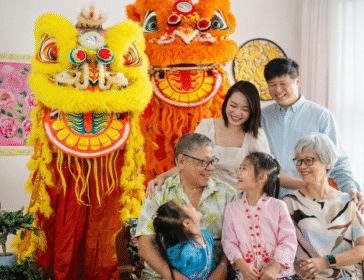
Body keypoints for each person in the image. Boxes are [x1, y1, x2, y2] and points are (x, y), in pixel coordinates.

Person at [261, 58, 363, 206]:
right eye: (272, 85)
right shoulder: (262, 117)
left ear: (297, 82)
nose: (277, 90)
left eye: (283, 84)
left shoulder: (321, 116)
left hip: (311, 202)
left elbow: (338, 161)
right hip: (270, 202)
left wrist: (350, 188)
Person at [135, 133, 237, 280]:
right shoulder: (159, 192)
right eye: (204, 162)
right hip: (163, 276)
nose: (211, 168)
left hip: (213, 275)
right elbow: (145, 245)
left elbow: (233, 240)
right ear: (182, 161)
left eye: (213, 161)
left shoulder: (227, 193)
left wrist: (221, 270)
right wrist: (174, 277)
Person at [146, 80, 270, 193]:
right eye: (233, 106)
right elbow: (188, 163)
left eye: (245, 109)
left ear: (253, 111)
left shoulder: (256, 136)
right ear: (226, 102)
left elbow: (266, 173)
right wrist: (163, 176)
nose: (237, 113)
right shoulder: (207, 126)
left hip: (238, 201)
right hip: (203, 196)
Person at [283, 134, 364, 279]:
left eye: (308, 160)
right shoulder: (290, 203)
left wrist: (326, 261)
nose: (301, 166)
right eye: (298, 161)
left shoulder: (347, 202)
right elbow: (282, 248)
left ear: (327, 162)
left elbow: (362, 249)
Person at [222, 152, 297, 280]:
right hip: (245, 275)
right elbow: (229, 242)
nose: (238, 173)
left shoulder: (278, 206)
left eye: (244, 169)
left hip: (278, 275)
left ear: (261, 177)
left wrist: (275, 268)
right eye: (240, 168)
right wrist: (242, 266)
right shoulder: (232, 209)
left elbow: (288, 240)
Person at [153, 201, 216, 280]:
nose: (190, 205)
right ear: (187, 223)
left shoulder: (207, 236)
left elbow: (211, 264)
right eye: (185, 205)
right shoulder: (184, 252)